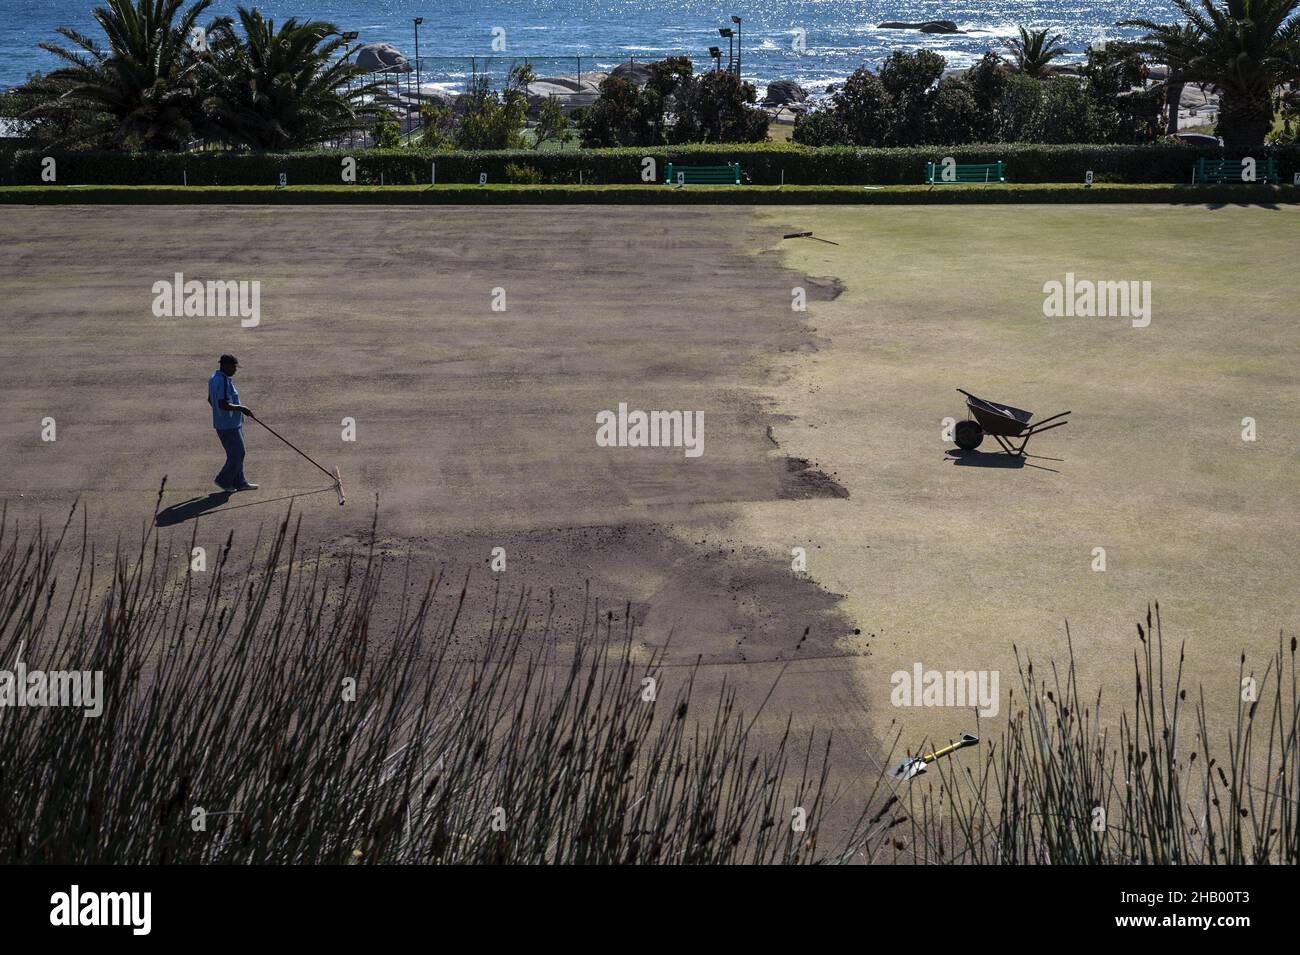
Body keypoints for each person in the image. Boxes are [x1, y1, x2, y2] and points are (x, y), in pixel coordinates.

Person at [208, 354, 259, 492]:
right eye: (234, 367)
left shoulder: (214, 378)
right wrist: (242, 408)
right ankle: (223, 480)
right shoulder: (222, 381)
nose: (235, 370)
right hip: (228, 425)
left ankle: (240, 482)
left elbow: (210, 399)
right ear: (225, 365)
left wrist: (219, 414)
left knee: (238, 453)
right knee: (237, 454)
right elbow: (223, 404)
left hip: (230, 423)